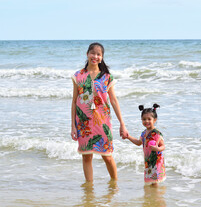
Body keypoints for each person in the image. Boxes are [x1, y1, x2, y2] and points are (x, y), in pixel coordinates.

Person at [71, 42, 129, 182]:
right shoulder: (78, 76)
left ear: (102, 57)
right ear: (87, 54)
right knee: (86, 156)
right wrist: (73, 125)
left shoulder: (106, 77)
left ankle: (114, 185)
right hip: (83, 122)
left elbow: (114, 101)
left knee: (107, 156)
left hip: (102, 121)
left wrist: (122, 124)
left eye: (98, 54)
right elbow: (74, 102)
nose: (95, 56)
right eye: (93, 53)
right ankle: (89, 190)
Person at [127, 104, 166, 185]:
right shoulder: (144, 133)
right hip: (148, 160)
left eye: (149, 119)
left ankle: (155, 196)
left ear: (154, 120)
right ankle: (153, 195)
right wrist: (128, 137)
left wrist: (157, 149)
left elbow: (163, 146)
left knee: (155, 181)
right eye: (144, 119)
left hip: (156, 160)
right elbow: (138, 143)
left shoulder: (156, 133)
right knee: (152, 180)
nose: (146, 121)